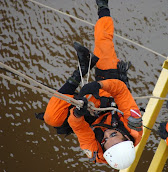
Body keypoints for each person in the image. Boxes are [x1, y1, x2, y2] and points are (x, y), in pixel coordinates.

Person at [43, 0, 143, 170]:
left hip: (88, 112)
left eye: (104, 140)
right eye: (113, 133)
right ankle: (103, 7)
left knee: (51, 118)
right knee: (104, 43)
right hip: (110, 95)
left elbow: (80, 129)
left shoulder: (94, 150)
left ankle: (81, 71)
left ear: (103, 149)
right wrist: (99, 85)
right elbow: (120, 90)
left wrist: (77, 114)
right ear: (126, 137)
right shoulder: (133, 125)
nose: (105, 134)